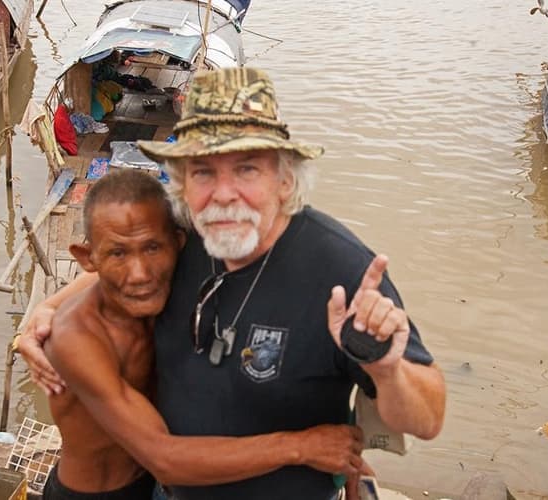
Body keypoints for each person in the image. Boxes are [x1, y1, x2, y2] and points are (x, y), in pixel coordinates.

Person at [20, 67, 446, 500]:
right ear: (183, 184)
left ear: (284, 178)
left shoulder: (343, 272)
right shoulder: (187, 234)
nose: (224, 193)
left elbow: (427, 420)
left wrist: (385, 367)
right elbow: (115, 271)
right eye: (203, 172)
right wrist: (44, 313)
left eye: (245, 169)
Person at [41, 169, 369, 500]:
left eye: (153, 248)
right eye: (118, 254)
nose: (140, 274)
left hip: (156, 487)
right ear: (88, 258)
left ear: (180, 245)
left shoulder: (165, 295)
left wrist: (348, 467)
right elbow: (164, 458)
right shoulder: (76, 338)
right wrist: (303, 446)